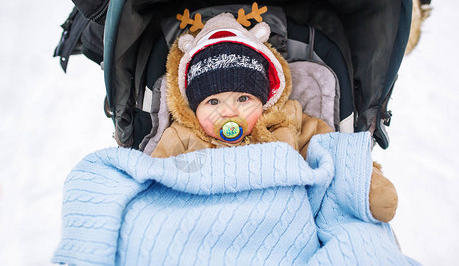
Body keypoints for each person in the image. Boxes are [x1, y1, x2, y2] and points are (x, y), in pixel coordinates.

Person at [151, 12, 397, 222]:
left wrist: (364, 183)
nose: (228, 112)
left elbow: (334, 152)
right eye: (213, 102)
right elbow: (154, 179)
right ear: (193, 109)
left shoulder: (288, 121)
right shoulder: (182, 138)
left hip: (283, 216)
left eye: (243, 99)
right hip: (208, 219)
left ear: (265, 98)